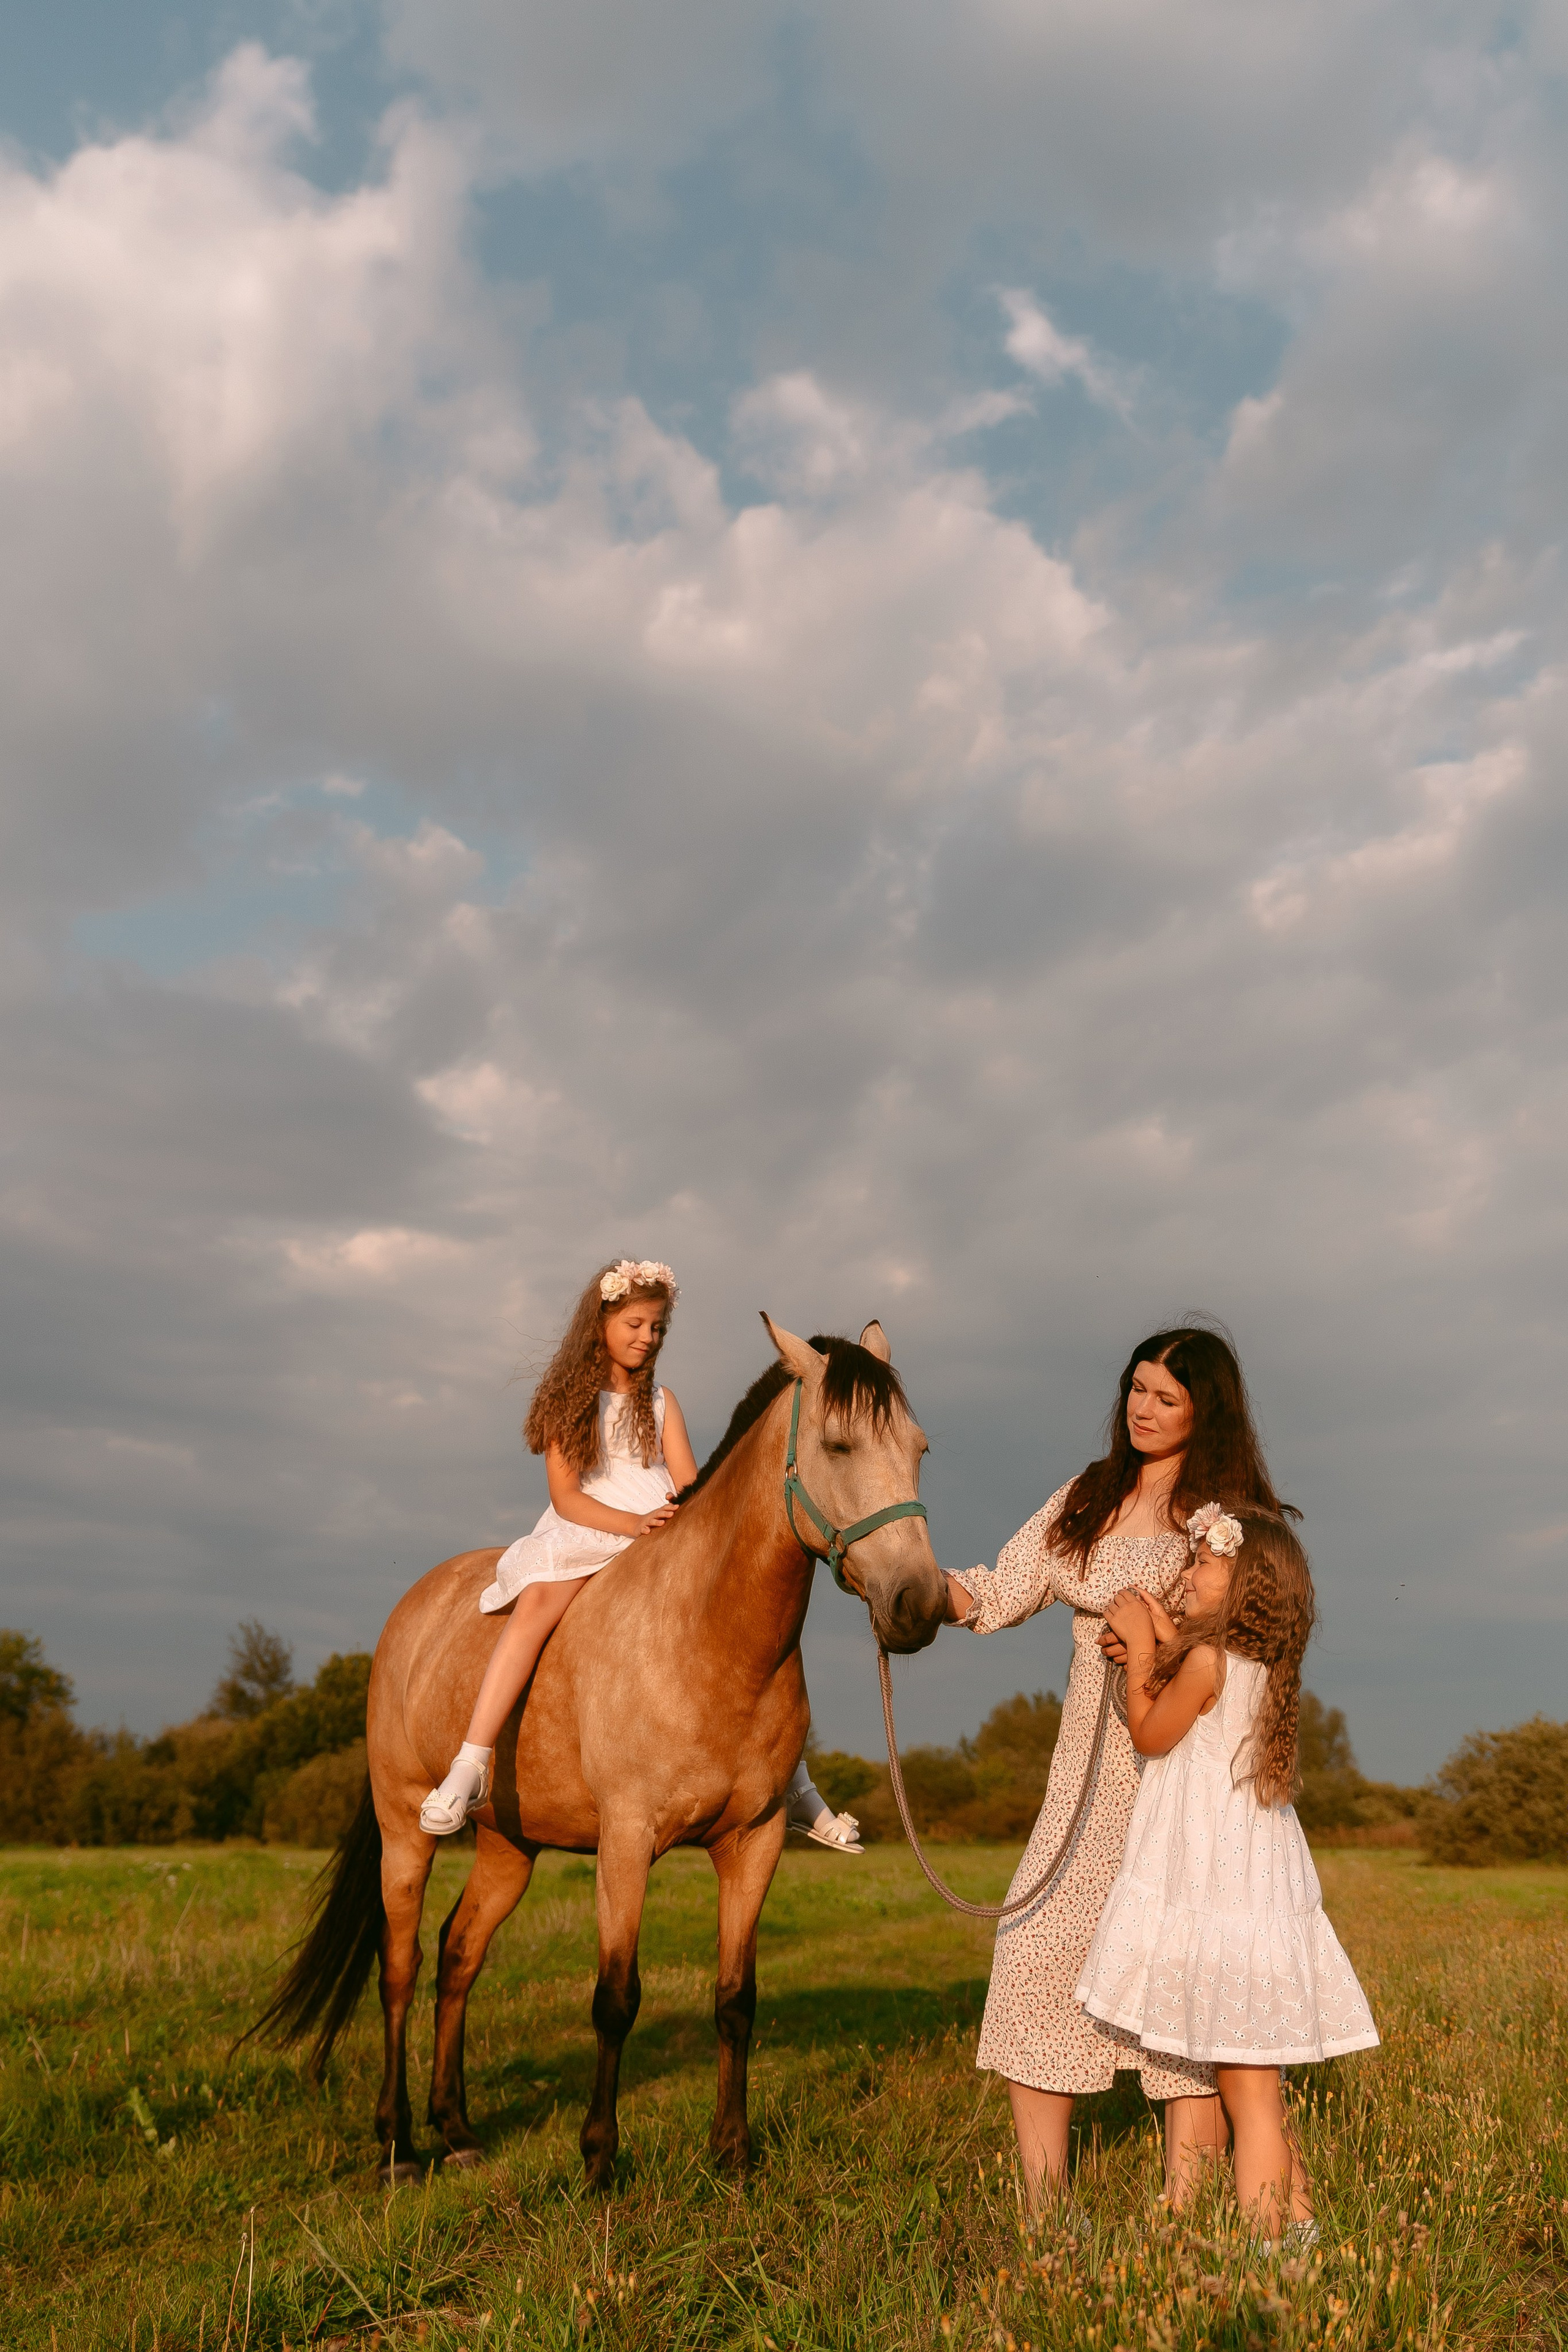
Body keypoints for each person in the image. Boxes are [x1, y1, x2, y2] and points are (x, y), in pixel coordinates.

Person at [942, 1326, 1290, 2208]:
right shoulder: (1087, 1497)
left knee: (1182, 1980)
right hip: (1084, 1778)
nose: (1143, 1409)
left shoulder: (1228, 1519)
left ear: (1206, 1411)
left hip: (1183, 1780)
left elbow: (1256, 1637)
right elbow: (999, 1588)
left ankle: (1186, 2212)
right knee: (1034, 1955)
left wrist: (1152, 1637)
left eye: (1167, 1397)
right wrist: (907, 1584)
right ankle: (1045, 2211)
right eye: (1137, 1389)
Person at [1079, 1505, 1378, 2243]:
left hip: (1221, 1893)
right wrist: (1169, 1636)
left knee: (1249, 2100)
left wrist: (1147, 1652)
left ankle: (1267, 2258)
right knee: (1256, 2093)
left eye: (1206, 1564)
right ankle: (1299, 2241)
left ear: (1244, 1586)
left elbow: (1151, 1733)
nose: (1190, 1572)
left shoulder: (1208, 1665)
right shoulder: (1252, 1664)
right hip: (1253, 1895)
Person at [421, 1259, 697, 1834]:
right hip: (599, 1522)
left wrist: (683, 1522)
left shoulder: (664, 1402)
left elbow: (689, 1480)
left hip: (662, 1528)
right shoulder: (570, 1400)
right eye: (636, 1325)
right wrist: (632, 1523)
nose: (648, 1338)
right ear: (601, 1322)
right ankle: (470, 1764)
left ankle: (792, 1780)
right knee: (541, 1599)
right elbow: (568, 1498)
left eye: (657, 1329)